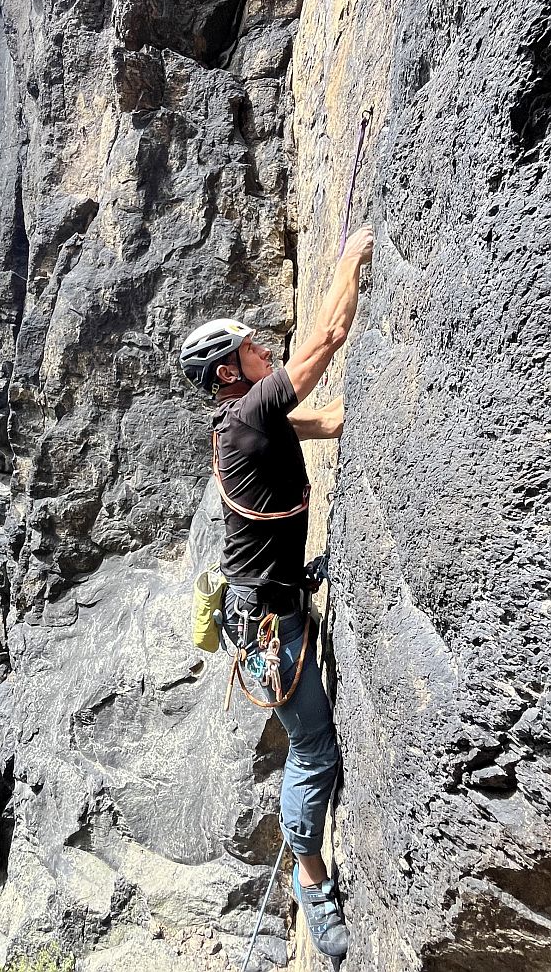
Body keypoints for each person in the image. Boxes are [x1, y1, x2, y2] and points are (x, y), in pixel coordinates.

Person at [179, 224, 374, 959]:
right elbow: (325, 338)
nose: (266, 347)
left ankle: (309, 878)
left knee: (313, 744)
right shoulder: (248, 415)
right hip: (269, 629)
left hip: (271, 607)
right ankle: (312, 882)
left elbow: (325, 420)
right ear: (231, 373)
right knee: (313, 750)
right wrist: (352, 255)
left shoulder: (249, 422)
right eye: (254, 347)